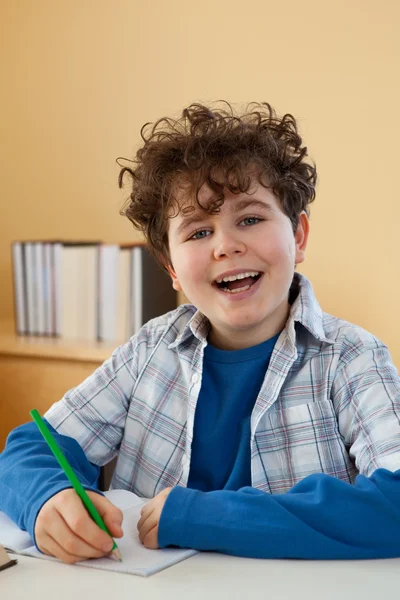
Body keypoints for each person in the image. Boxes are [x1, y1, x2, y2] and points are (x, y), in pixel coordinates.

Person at [1, 102, 400, 564]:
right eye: (197, 232)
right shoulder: (150, 350)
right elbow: (31, 448)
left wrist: (208, 516)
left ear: (299, 236)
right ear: (170, 267)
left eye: (250, 219)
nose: (226, 245)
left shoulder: (352, 358)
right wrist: (47, 499)